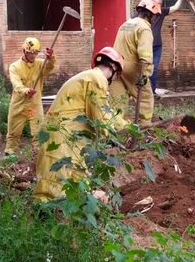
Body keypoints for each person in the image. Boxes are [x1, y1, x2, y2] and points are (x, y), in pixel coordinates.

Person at [34, 47, 130, 201]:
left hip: (64, 132)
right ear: (113, 67)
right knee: (57, 180)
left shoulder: (89, 77)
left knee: (71, 174)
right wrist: (113, 135)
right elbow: (100, 116)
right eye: (117, 75)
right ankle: (50, 215)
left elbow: (106, 111)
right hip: (63, 134)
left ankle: (67, 211)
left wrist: (127, 126)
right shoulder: (97, 80)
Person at [109, 0, 159, 124]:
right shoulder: (144, 29)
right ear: (151, 15)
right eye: (155, 17)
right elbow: (145, 54)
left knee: (118, 101)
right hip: (133, 70)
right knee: (145, 98)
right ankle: (145, 125)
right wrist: (144, 74)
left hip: (116, 68)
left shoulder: (126, 24)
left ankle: (115, 128)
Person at [4, 37, 56, 155]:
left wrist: (50, 57)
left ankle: (38, 154)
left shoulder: (40, 64)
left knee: (38, 129)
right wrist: (26, 90)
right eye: (30, 53)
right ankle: (10, 152)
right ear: (24, 51)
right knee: (13, 130)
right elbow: (16, 84)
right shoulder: (14, 67)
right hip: (19, 103)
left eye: (35, 53)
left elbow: (50, 66)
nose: (33, 55)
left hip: (34, 103)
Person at [149, 0, 183, 92]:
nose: (159, 6)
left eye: (160, 4)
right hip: (145, 45)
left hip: (157, 45)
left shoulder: (162, 12)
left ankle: (152, 90)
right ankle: (141, 91)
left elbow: (175, 7)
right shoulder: (143, 12)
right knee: (144, 68)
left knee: (154, 69)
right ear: (152, 2)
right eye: (157, 4)